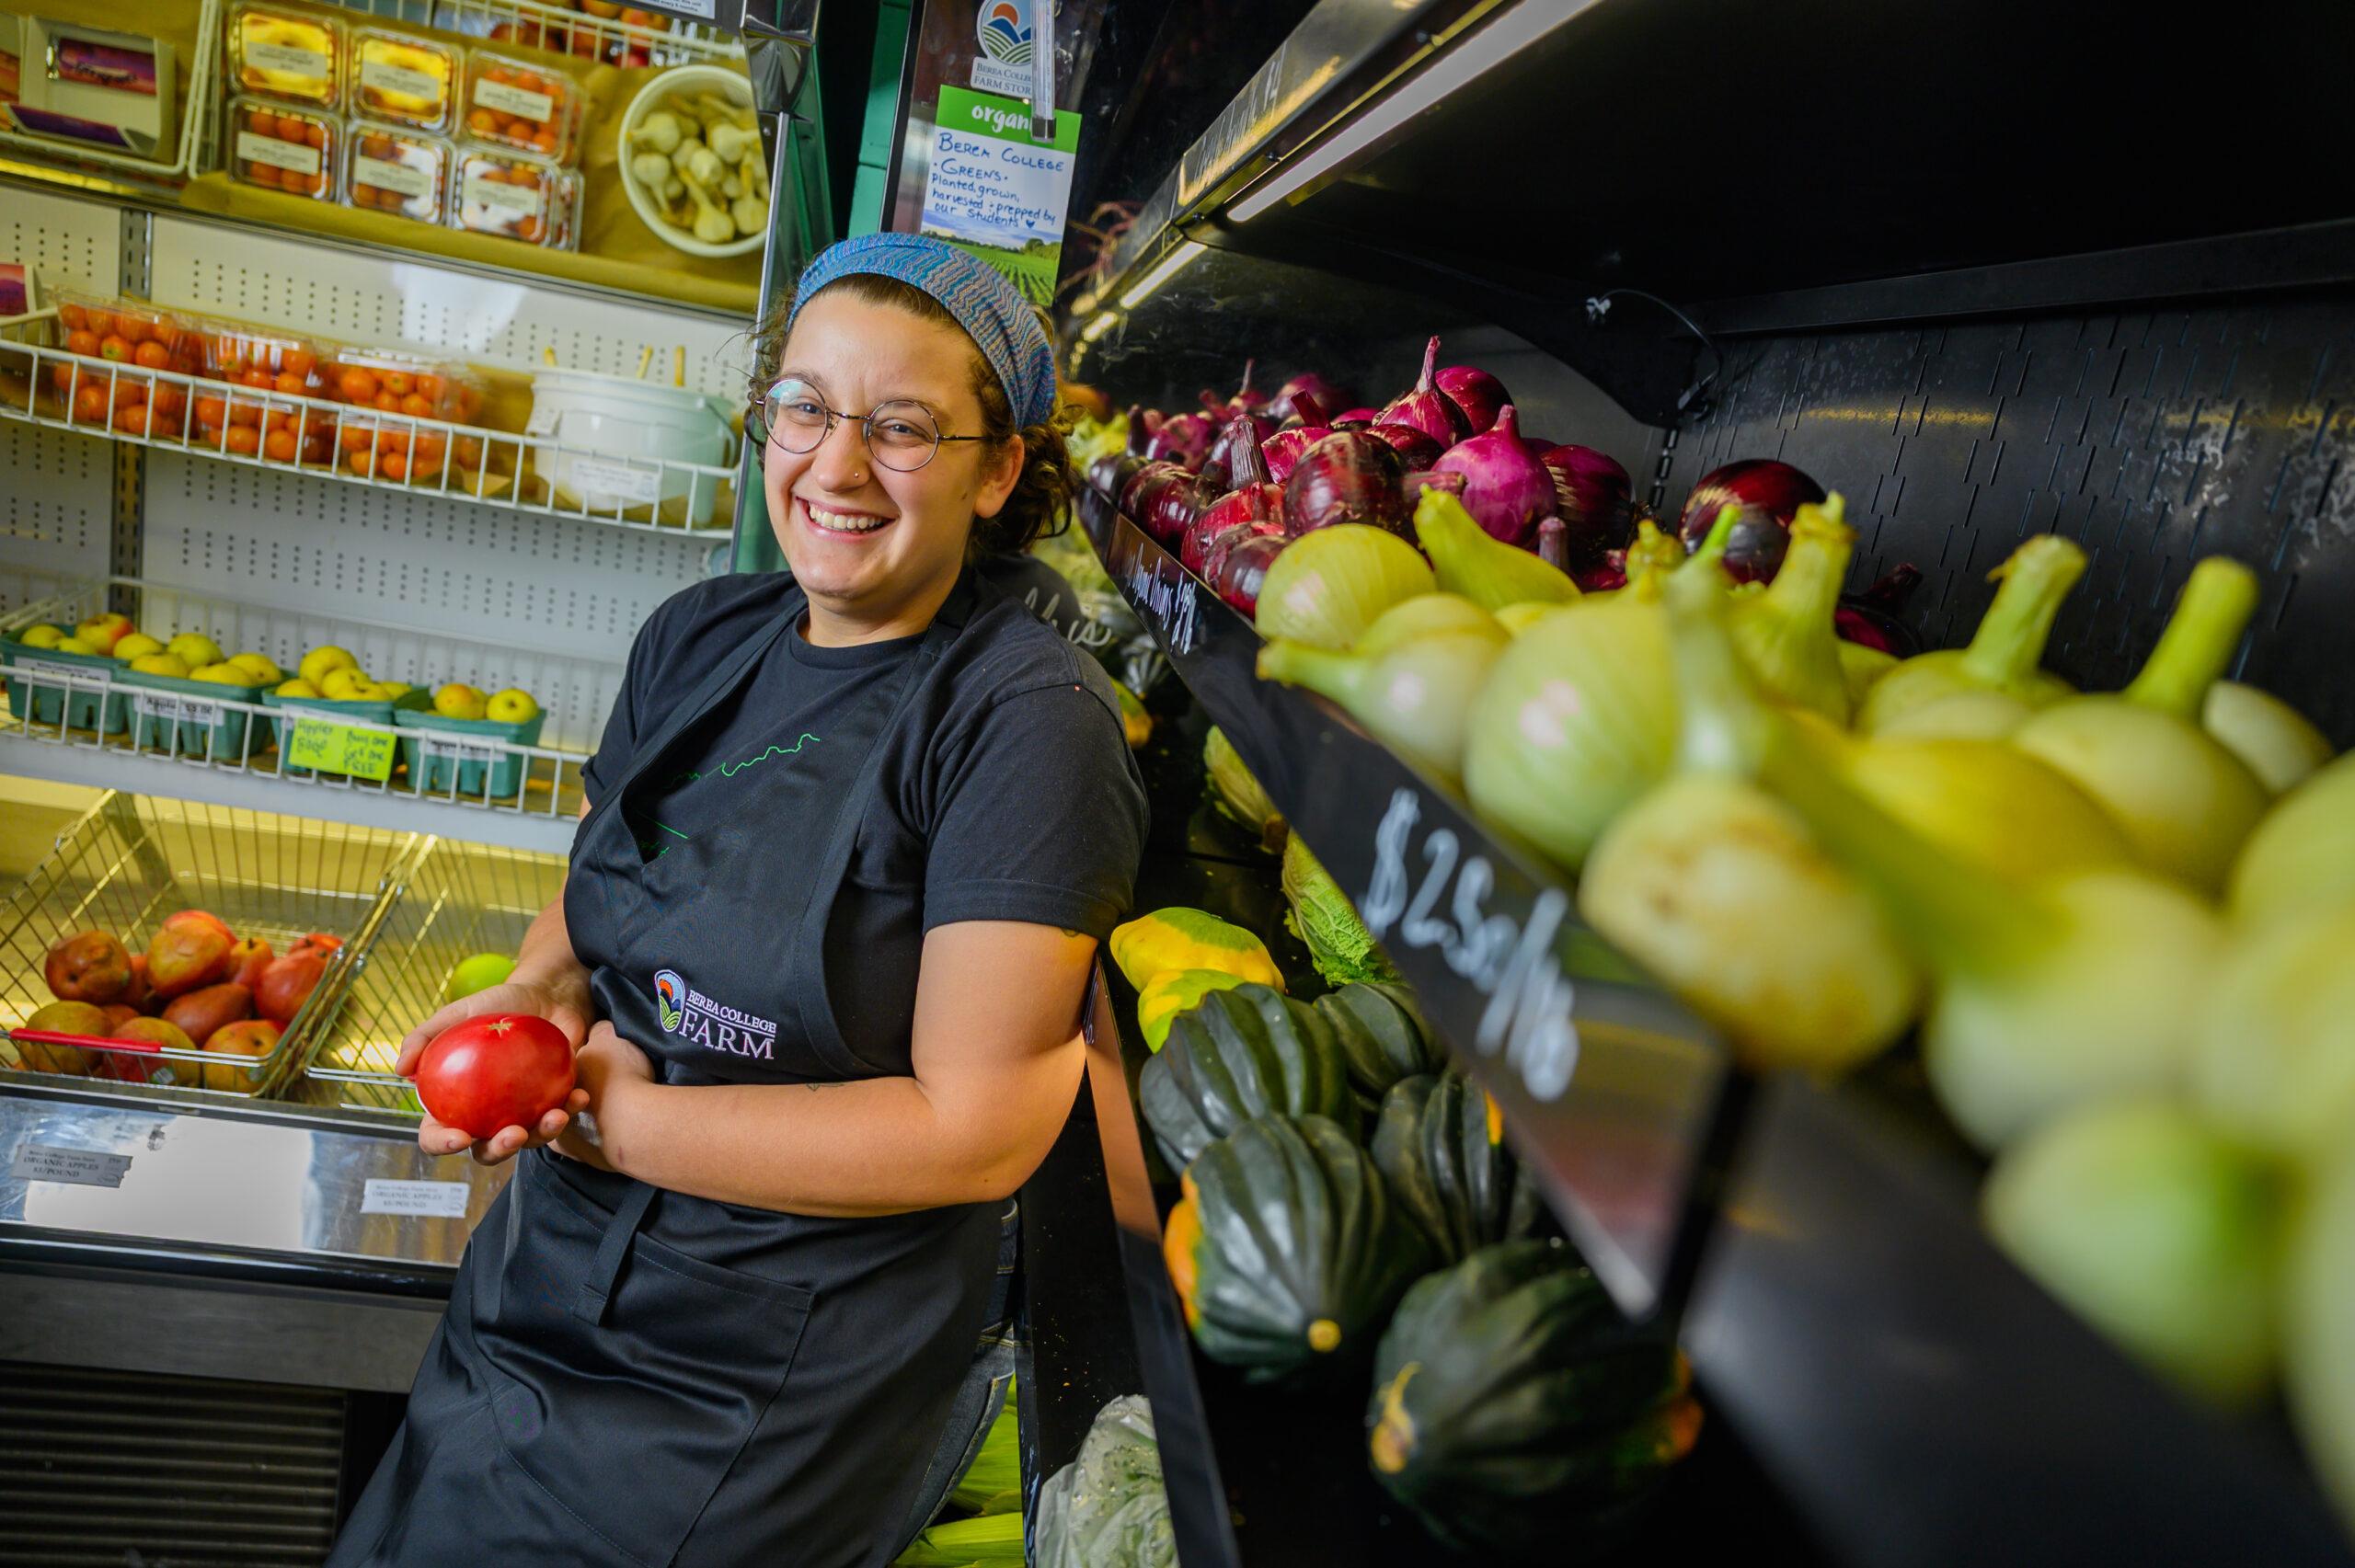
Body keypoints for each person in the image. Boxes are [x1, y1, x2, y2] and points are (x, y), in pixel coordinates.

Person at [327, 234, 1149, 1568]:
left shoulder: (1027, 725)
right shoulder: (699, 634)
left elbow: (977, 1132)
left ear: (999, 470)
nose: (834, 465)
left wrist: (619, 1120)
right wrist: (537, 996)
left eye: (902, 427)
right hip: (540, 1289)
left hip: (762, 1383)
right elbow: (596, 891)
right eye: (805, 406)